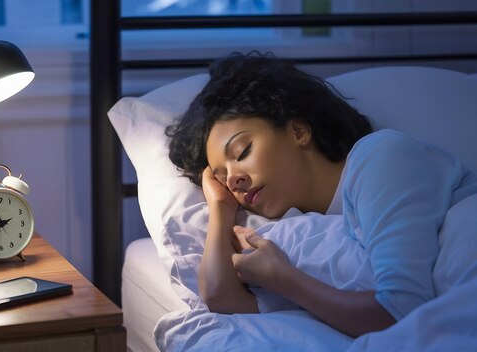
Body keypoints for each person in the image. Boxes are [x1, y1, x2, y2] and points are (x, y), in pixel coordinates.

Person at [165, 52, 477, 337]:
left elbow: (401, 310)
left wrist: (285, 279)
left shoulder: (381, 156)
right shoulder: (318, 232)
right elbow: (221, 296)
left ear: (299, 131)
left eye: (242, 150)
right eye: (223, 177)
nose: (234, 179)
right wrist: (220, 208)